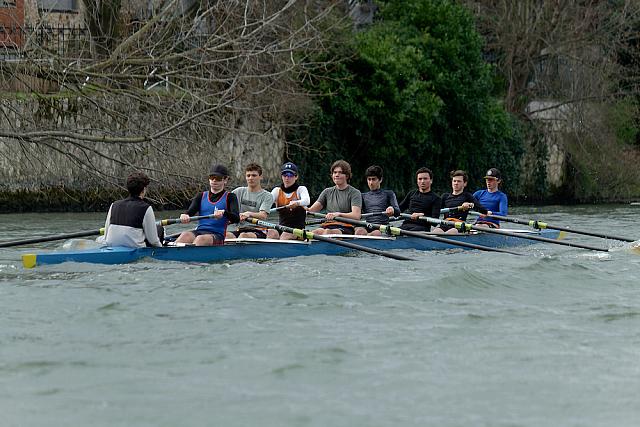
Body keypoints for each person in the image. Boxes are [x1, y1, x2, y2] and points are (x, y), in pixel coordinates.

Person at [176, 164, 240, 246]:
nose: (214, 180)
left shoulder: (230, 197)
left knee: (200, 239)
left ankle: (191, 256)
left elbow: (236, 218)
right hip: (200, 231)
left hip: (217, 235)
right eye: (211, 177)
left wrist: (224, 213)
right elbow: (190, 212)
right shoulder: (201, 196)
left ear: (225, 180)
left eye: (218, 178)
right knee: (185, 235)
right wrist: (185, 215)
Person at [101, 171, 163, 248]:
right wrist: (162, 248)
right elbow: (153, 241)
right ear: (143, 190)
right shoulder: (146, 208)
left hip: (111, 247)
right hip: (135, 248)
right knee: (159, 229)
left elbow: (106, 235)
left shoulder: (114, 205)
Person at [307, 159, 362, 235]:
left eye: (340, 172)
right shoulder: (327, 192)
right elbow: (311, 211)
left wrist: (339, 214)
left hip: (346, 226)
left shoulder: (355, 193)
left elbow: (356, 216)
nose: (336, 175)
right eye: (334, 172)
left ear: (347, 176)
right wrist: (300, 207)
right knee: (314, 233)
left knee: (327, 232)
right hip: (327, 225)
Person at [433, 170, 490, 234]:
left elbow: (480, 208)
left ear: (465, 183)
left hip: (458, 226)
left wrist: (470, 205)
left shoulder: (467, 196)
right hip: (445, 224)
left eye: (459, 181)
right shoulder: (445, 196)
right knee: (435, 232)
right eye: (454, 181)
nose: (456, 183)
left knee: (451, 232)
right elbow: (436, 210)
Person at [226, 163, 274, 239]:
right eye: (248, 175)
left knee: (243, 236)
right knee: (226, 236)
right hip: (240, 229)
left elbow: (263, 215)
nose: (250, 178)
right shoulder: (237, 192)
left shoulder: (267, 196)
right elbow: (227, 209)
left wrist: (249, 214)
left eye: (254, 175)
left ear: (261, 177)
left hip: (258, 229)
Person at [354, 165, 400, 236]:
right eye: (369, 179)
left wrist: (392, 209)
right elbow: (355, 213)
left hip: (382, 227)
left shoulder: (389, 194)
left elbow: (398, 211)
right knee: (359, 232)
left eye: (373, 179)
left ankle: (367, 238)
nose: (371, 183)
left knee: (376, 233)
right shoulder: (362, 196)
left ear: (380, 180)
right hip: (368, 226)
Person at [269, 162, 310, 240]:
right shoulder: (276, 191)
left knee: (285, 235)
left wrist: (297, 203)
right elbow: (265, 203)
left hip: (298, 230)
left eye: (290, 175)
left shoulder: (301, 189)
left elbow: (307, 200)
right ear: (282, 176)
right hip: (282, 228)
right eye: (285, 175)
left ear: (296, 177)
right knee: (271, 232)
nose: (287, 178)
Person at [398, 167, 441, 232]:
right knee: (390, 231)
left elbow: (435, 222)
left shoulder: (436, 198)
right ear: (417, 181)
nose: (422, 181)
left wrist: (422, 216)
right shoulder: (412, 193)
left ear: (431, 180)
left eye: (425, 179)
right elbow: (399, 209)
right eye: (420, 179)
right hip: (406, 225)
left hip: (422, 228)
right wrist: (391, 208)